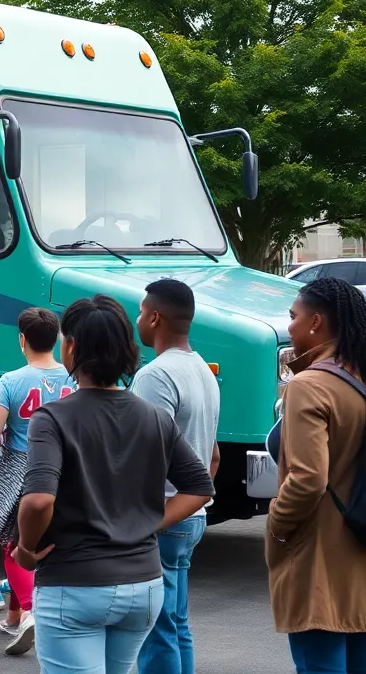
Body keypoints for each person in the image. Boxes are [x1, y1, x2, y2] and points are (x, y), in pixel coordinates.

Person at [14, 295, 215, 674]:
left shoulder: (52, 418)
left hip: (73, 583)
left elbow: (39, 500)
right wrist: (148, 523)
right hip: (144, 584)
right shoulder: (155, 416)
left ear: (71, 346)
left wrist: (25, 550)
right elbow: (200, 487)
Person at [0, 307, 74, 657]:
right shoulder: (73, 376)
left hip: (19, 463)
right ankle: (13, 613)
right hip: (63, 463)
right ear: (57, 340)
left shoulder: (12, 380)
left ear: (22, 339)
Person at [266, 277, 366, 673]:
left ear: (315, 323)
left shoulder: (309, 386)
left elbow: (308, 478)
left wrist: (277, 524)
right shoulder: (358, 379)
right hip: (359, 550)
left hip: (319, 557)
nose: (288, 325)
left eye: (294, 316)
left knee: (319, 663)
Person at [133, 280, 221, 674]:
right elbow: (213, 455)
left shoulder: (155, 375)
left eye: (139, 311)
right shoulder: (202, 369)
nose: (137, 319)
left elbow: (145, 455)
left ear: (155, 317)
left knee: (156, 627)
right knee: (176, 622)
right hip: (192, 515)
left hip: (162, 516)